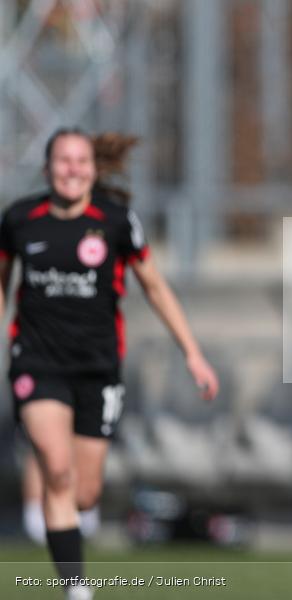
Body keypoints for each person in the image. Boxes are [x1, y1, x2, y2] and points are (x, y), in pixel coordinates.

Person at [0, 128, 220, 600]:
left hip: (99, 369)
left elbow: (155, 287)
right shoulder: (20, 219)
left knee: (84, 493)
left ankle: (72, 534)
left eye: (81, 161)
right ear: (47, 168)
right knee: (56, 471)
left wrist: (192, 353)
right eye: (63, 161)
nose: (72, 170)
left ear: (94, 169)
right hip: (36, 363)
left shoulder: (117, 221)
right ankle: (77, 589)